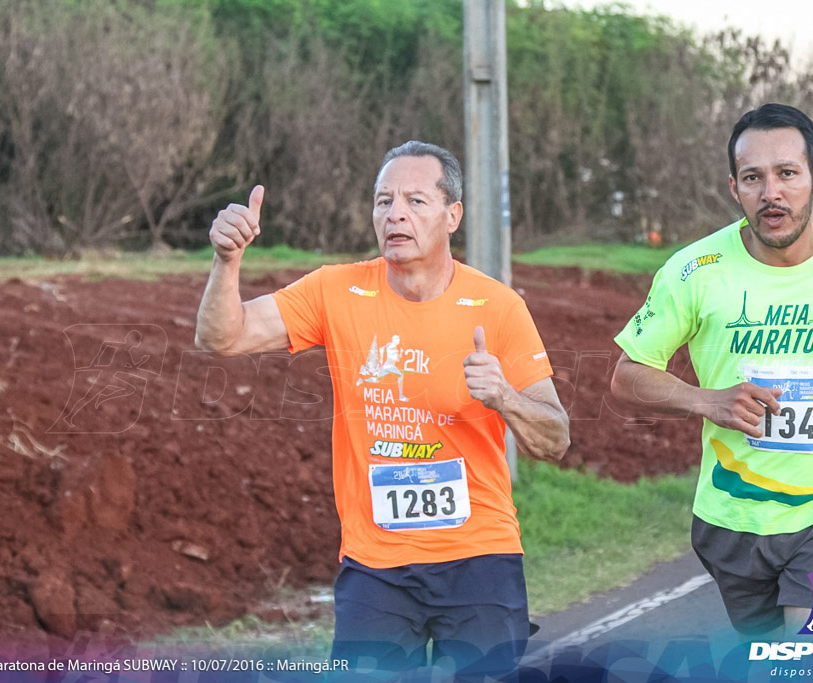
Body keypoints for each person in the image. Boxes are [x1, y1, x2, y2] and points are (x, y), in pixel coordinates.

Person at [195, 140, 570, 677]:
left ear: (452, 215)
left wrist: (505, 397)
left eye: (415, 201)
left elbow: (555, 439)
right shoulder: (336, 291)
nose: (394, 213)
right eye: (382, 200)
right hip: (376, 566)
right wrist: (226, 260)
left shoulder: (499, 307)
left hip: (479, 555)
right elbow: (222, 338)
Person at [610, 103, 813, 638]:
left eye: (787, 173)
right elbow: (626, 375)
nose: (771, 193)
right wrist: (706, 399)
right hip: (733, 523)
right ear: (734, 186)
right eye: (753, 178)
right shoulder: (694, 271)